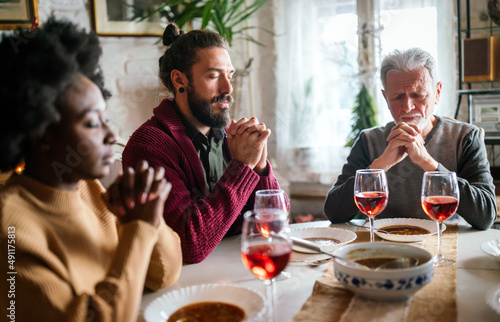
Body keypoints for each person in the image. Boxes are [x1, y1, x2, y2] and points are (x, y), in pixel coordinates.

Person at [0, 18, 182, 322]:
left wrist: (147, 218)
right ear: (43, 134)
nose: (112, 134)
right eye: (91, 123)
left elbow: (164, 274)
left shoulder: (91, 189)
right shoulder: (11, 231)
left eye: (105, 118)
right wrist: (138, 228)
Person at [122, 23, 287, 263]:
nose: (228, 88)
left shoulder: (234, 136)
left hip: (240, 270)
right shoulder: (149, 146)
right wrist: (242, 167)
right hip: (182, 287)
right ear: (180, 80)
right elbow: (188, 245)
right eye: (213, 75)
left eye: (229, 75)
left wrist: (260, 169)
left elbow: (275, 226)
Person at [324, 47, 496, 230]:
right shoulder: (369, 140)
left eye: (418, 95)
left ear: (437, 92)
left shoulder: (466, 137)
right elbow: (334, 212)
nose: (407, 107)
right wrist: (381, 164)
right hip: (385, 246)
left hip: (447, 245)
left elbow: (485, 216)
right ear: (385, 98)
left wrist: (429, 163)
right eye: (397, 97)